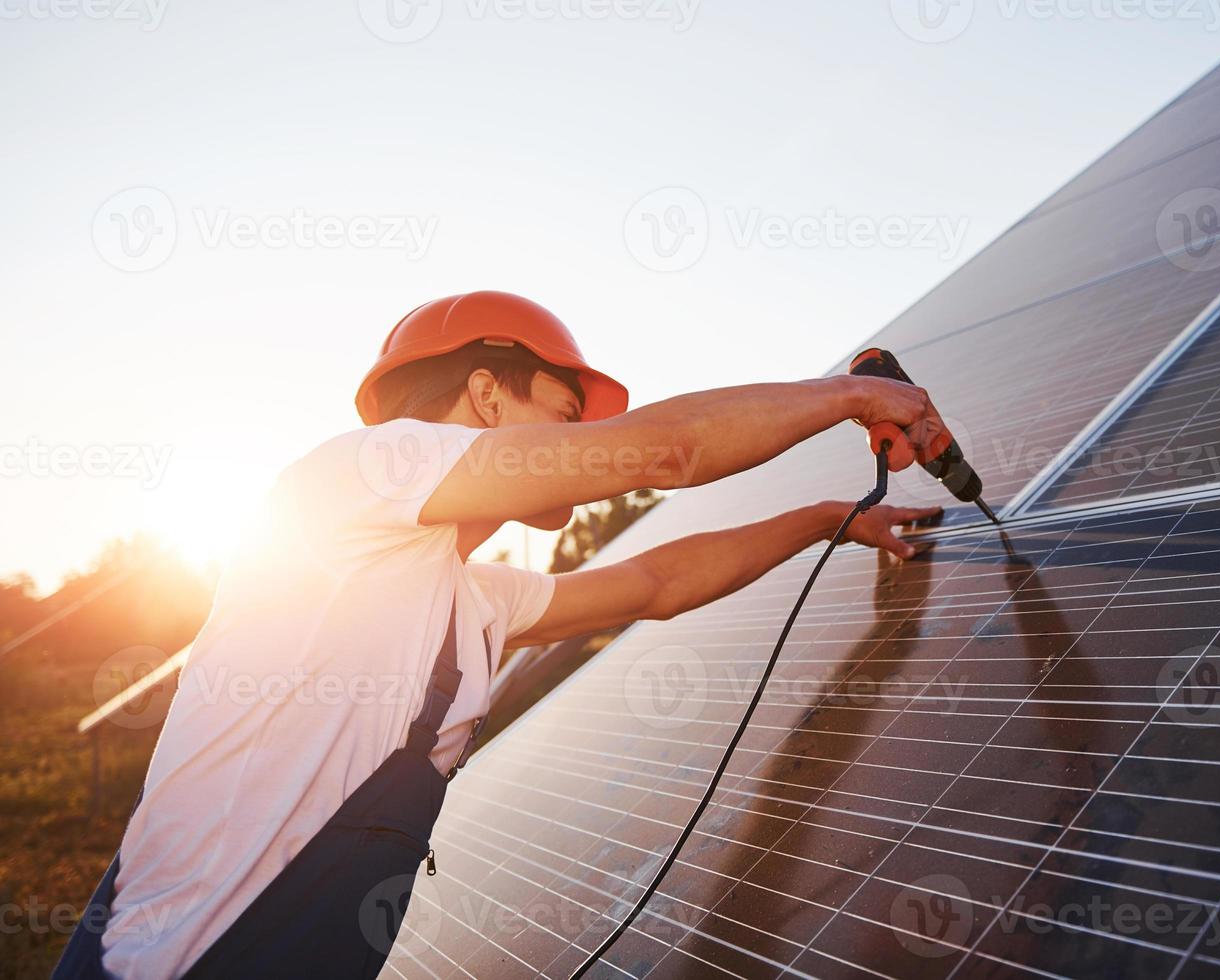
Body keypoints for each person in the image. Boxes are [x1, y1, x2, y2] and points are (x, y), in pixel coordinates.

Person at [56, 289, 940, 979]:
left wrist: (829, 519)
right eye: (565, 408)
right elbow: (660, 451)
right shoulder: (357, 473)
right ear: (484, 393)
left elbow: (657, 583)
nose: (583, 434)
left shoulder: (470, 601)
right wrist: (854, 395)